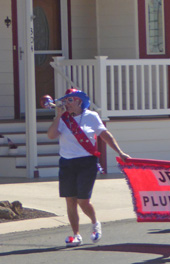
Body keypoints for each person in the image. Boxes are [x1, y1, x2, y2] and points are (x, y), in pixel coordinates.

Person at [46, 88, 130, 247]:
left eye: (70, 100)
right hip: (67, 162)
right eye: (65, 100)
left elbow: (105, 135)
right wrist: (58, 116)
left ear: (79, 101)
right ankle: (76, 234)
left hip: (87, 162)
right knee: (70, 200)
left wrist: (120, 152)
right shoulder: (63, 119)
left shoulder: (91, 116)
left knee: (83, 201)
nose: (66, 104)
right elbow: (51, 135)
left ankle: (95, 223)